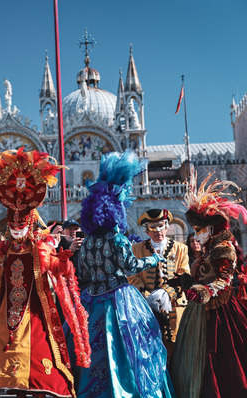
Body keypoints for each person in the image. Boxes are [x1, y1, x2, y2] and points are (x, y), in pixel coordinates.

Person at [0, 148, 89, 398]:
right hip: (8, 311)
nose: (16, 229)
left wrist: (64, 261)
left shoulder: (40, 247)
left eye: (20, 224)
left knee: (39, 353)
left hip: (34, 309)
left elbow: (56, 269)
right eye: (12, 225)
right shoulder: (3, 249)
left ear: (30, 221)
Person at [75, 151, 173, 398]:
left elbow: (83, 272)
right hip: (119, 300)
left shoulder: (86, 242)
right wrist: (153, 258)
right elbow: (130, 267)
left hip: (91, 300)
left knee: (94, 349)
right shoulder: (116, 238)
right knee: (129, 349)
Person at [170, 170, 247, 398]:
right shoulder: (209, 250)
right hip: (200, 311)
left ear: (212, 229)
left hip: (221, 311)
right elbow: (201, 277)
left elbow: (224, 280)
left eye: (199, 231)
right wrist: (185, 281)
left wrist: (205, 290)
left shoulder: (224, 249)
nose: (196, 236)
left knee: (225, 358)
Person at [128, 209, 190, 355]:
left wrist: (166, 293)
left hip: (175, 307)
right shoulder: (136, 249)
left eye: (161, 226)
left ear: (167, 227)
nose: (158, 231)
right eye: (152, 228)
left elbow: (184, 275)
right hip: (147, 307)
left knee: (178, 348)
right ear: (146, 231)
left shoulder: (181, 248)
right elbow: (132, 276)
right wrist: (149, 297)